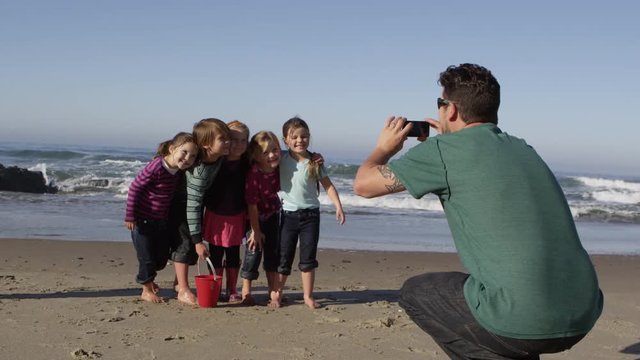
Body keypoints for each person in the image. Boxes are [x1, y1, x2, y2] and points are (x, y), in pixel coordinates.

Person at [352, 63, 603, 359]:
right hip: (583, 310)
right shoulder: (524, 148)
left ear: (452, 110)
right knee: (505, 312)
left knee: (416, 292)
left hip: (526, 321)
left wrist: (385, 148)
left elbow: (363, 185)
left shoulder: (443, 152)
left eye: (440, 104)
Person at [274, 117, 346, 309]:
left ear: (309, 137)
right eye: (294, 137)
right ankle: (278, 294)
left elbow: (328, 186)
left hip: (311, 217)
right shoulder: (280, 157)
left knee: (308, 258)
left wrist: (338, 206)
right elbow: (261, 156)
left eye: (304, 136)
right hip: (288, 216)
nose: (300, 140)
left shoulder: (315, 161)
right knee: (284, 257)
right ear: (285, 140)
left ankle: (307, 296)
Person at [125, 132, 198, 303]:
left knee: (160, 259)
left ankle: (150, 279)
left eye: (193, 156)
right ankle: (146, 288)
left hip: (160, 221)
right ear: (172, 149)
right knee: (147, 258)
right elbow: (135, 188)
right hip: (142, 221)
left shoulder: (177, 172)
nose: (187, 158)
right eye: (184, 152)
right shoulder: (157, 166)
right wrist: (130, 216)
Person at [169, 118, 230, 306]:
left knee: (190, 245)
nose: (229, 142)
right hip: (180, 205)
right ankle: (183, 289)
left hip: (195, 205)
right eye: (223, 139)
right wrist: (198, 240)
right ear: (206, 145)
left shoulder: (219, 156)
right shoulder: (199, 171)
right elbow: (193, 206)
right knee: (186, 245)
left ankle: (179, 282)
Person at [202, 120, 251, 303]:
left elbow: (272, 154)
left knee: (232, 254)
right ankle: (215, 287)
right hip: (215, 213)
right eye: (233, 139)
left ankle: (232, 290)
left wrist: (311, 155)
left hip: (237, 215)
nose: (238, 144)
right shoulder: (216, 161)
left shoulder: (248, 163)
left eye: (243, 140)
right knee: (215, 253)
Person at [240, 131, 282, 307]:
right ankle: (246, 291)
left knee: (273, 253)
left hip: (273, 214)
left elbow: (299, 156)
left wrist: (314, 157)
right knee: (253, 252)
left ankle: (273, 290)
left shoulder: (279, 167)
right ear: (256, 156)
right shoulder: (254, 173)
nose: (272, 155)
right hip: (254, 218)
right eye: (265, 152)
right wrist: (256, 231)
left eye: (275, 150)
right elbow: (251, 204)